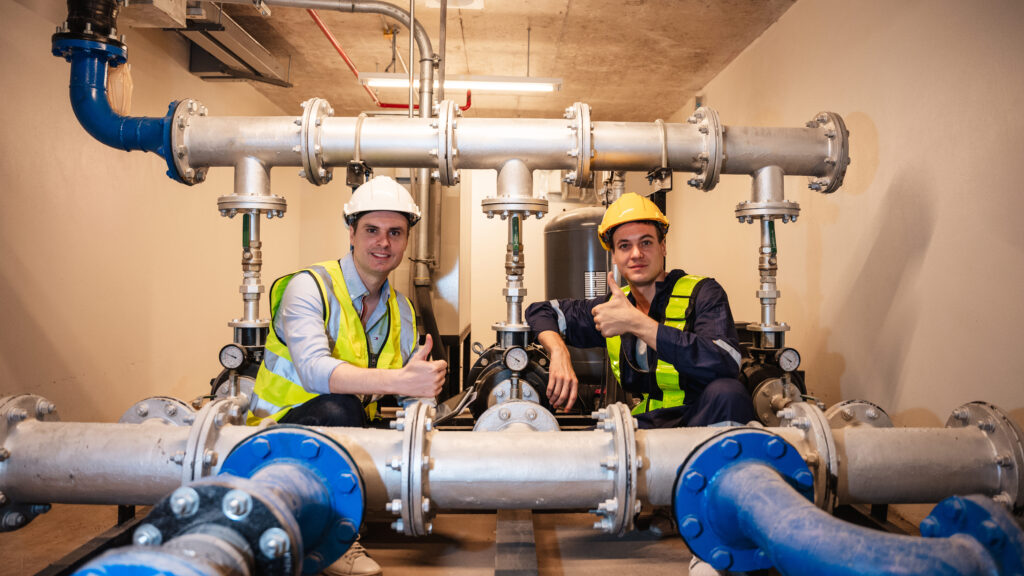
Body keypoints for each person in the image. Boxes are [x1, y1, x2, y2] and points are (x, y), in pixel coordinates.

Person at [249, 175, 446, 576]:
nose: (383, 243)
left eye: (395, 233)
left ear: (407, 241)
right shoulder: (309, 287)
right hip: (275, 436)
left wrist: (424, 397)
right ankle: (332, 541)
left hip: (351, 432)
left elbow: (409, 392)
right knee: (339, 407)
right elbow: (315, 371)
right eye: (372, 230)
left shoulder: (403, 310)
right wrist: (400, 382)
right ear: (351, 232)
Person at [525, 192, 755, 429]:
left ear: (663, 246)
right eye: (624, 246)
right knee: (573, 453)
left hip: (700, 422)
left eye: (646, 242)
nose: (636, 254)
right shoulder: (613, 306)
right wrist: (559, 353)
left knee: (729, 393)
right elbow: (540, 311)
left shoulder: (703, 293)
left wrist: (637, 323)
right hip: (646, 426)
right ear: (614, 255)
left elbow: (725, 362)